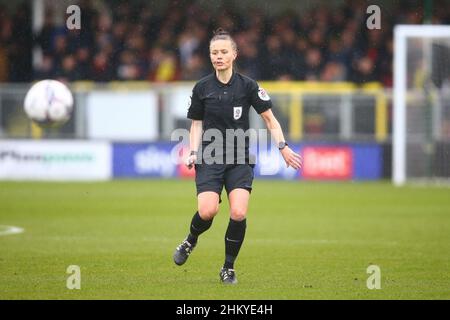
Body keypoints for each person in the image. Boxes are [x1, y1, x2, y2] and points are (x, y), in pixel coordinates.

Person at [173, 28, 302, 284]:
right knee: (208, 211)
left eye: (223, 52)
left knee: (239, 213)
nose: (218, 56)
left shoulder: (248, 86)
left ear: (234, 54)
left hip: (239, 157)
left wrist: (283, 147)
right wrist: (193, 151)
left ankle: (228, 268)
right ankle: (190, 240)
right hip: (209, 157)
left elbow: (269, 119)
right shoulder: (202, 88)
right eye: (214, 53)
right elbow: (196, 124)